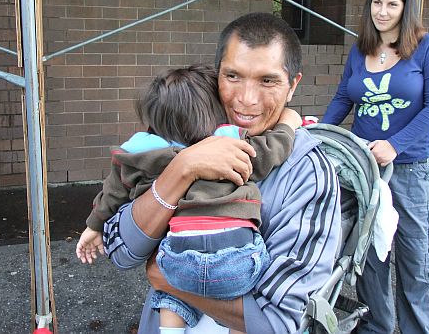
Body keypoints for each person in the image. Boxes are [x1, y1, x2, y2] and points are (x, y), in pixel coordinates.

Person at [94, 12, 341, 333]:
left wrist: (169, 279)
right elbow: (121, 252)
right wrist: (182, 168)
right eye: (233, 76)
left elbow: (280, 322)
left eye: (267, 81)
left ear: (292, 85)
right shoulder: (182, 137)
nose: (246, 99)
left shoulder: (308, 175)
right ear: (216, 76)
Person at [76, 63, 302, 333]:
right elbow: (270, 150)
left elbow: (113, 191)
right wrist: (289, 123)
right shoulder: (228, 144)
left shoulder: (140, 153)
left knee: (169, 289)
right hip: (235, 261)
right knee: (248, 293)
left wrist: (94, 225)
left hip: (178, 258)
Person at [322, 0, 429, 333]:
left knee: (414, 258)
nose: (383, 11)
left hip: (409, 169)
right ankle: (377, 326)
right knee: (369, 255)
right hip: (363, 169)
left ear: (406, 8)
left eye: (392, 4)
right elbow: (344, 97)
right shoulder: (360, 49)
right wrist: (318, 134)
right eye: (377, 2)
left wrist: (394, 145)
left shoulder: (428, 47)